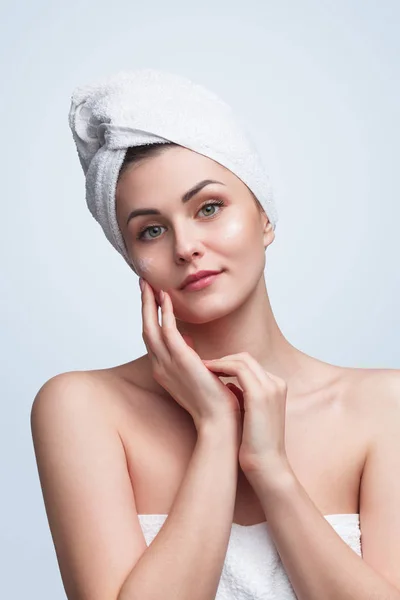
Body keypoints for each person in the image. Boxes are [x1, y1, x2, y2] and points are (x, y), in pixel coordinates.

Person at [30, 70, 400, 600]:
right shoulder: (82, 407)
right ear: (131, 257)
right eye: (151, 230)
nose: (186, 246)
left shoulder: (385, 406)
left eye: (209, 208)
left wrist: (271, 470)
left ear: (264, 217)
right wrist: (215, 428)